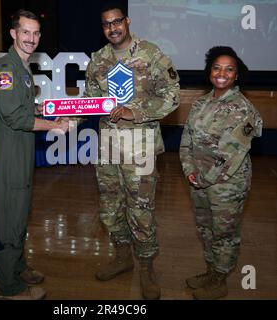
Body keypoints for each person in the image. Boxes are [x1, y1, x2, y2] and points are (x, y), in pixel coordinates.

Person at [84, 3, 180, 300]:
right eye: (106, 24)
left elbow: (172, 96)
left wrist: (133, 112)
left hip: (141, 148)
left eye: (117, 22)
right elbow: (90, 100)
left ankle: (147, 268)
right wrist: (60, 114)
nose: (112, 28)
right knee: (111, 207)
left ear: (126, 22)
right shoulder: (98, 60)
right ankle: (123, 257)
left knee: (141, 210)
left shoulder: (151, 54)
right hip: (108, 149)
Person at [0, 9, 69, 300]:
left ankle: (17, 268)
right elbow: (14, 118)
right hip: (10, 157)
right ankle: (7, 289)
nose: (31, 38)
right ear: (13, 33)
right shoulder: (7, 69)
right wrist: (54, 125)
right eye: (25, 32)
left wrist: (43, 109)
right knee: (9, 221)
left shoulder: (22, 67)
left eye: (35, 33)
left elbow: (23, 109)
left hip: (21, 154)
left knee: (19, 216)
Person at [179, 46, 262, 300]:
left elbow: (231, 155)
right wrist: (190, 172)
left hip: (227, 185)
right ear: (209, 71)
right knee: (205, 228)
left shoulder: (242, 108)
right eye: (217, 68)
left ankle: (220, 280)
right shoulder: (201, 102)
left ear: (236, 75)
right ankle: (211, 270)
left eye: (229, 69)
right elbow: (186, 141)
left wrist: (203, 178)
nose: (222, 73)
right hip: (199, 181)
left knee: (224, 233)